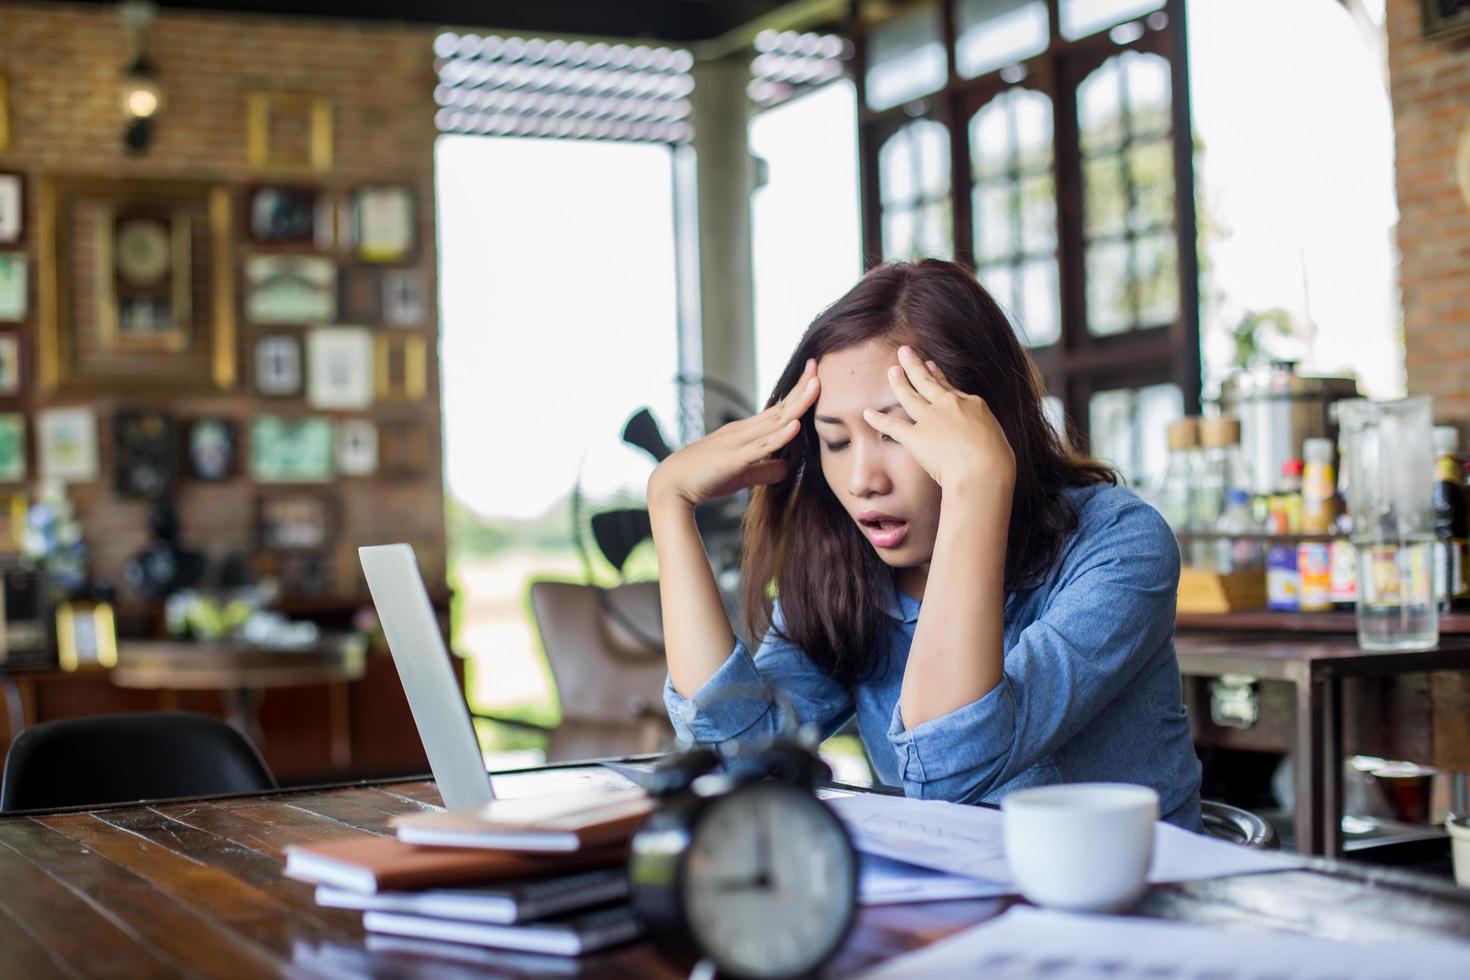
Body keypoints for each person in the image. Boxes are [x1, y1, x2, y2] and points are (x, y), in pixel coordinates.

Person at [650, 260, 1202, 829]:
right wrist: (669, 502)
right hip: (957, 904)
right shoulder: (847, 569)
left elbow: (950, 769)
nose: (864, 479)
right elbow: (738, 760)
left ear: (985, 426)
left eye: (895, 433)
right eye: (836, 441)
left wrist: (979, 484)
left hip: (1136, 904)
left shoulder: (1119, 544)